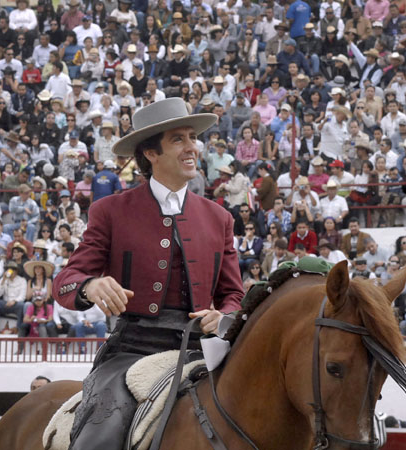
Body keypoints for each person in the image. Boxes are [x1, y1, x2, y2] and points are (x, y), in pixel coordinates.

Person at [53, 98, 243, 449]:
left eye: (192, 137)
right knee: (98, 437)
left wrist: (225, 316)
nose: (192, 148)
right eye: (178, 140)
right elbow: (66, 280)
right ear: (150, 153)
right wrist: (91, 285)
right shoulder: (109, 210)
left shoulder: (220, 218)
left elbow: (234, 295)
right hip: (131, 349)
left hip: (202, 349)